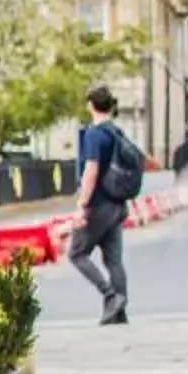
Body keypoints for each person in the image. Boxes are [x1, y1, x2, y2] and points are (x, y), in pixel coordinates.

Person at [69, 85, 131, 325]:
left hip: (99, 205)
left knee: (77, 253)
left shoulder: (94, 134)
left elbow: (91, 170)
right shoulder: (117, 132)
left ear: (90, 105)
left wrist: (82, 204)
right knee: (113, 259)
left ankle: (110, 295)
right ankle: (119, 310)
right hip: (118, 204)